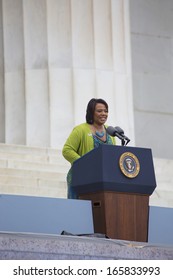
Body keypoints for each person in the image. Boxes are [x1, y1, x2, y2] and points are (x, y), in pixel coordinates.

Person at [62, 98, 116, 199]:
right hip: (80, 179)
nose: (103, 113)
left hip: (101, 181)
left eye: (106, 111)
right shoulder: (80, 129)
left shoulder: (110, 132)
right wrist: (83, 163)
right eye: (99, 111)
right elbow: (67, 150)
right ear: (91, 112)